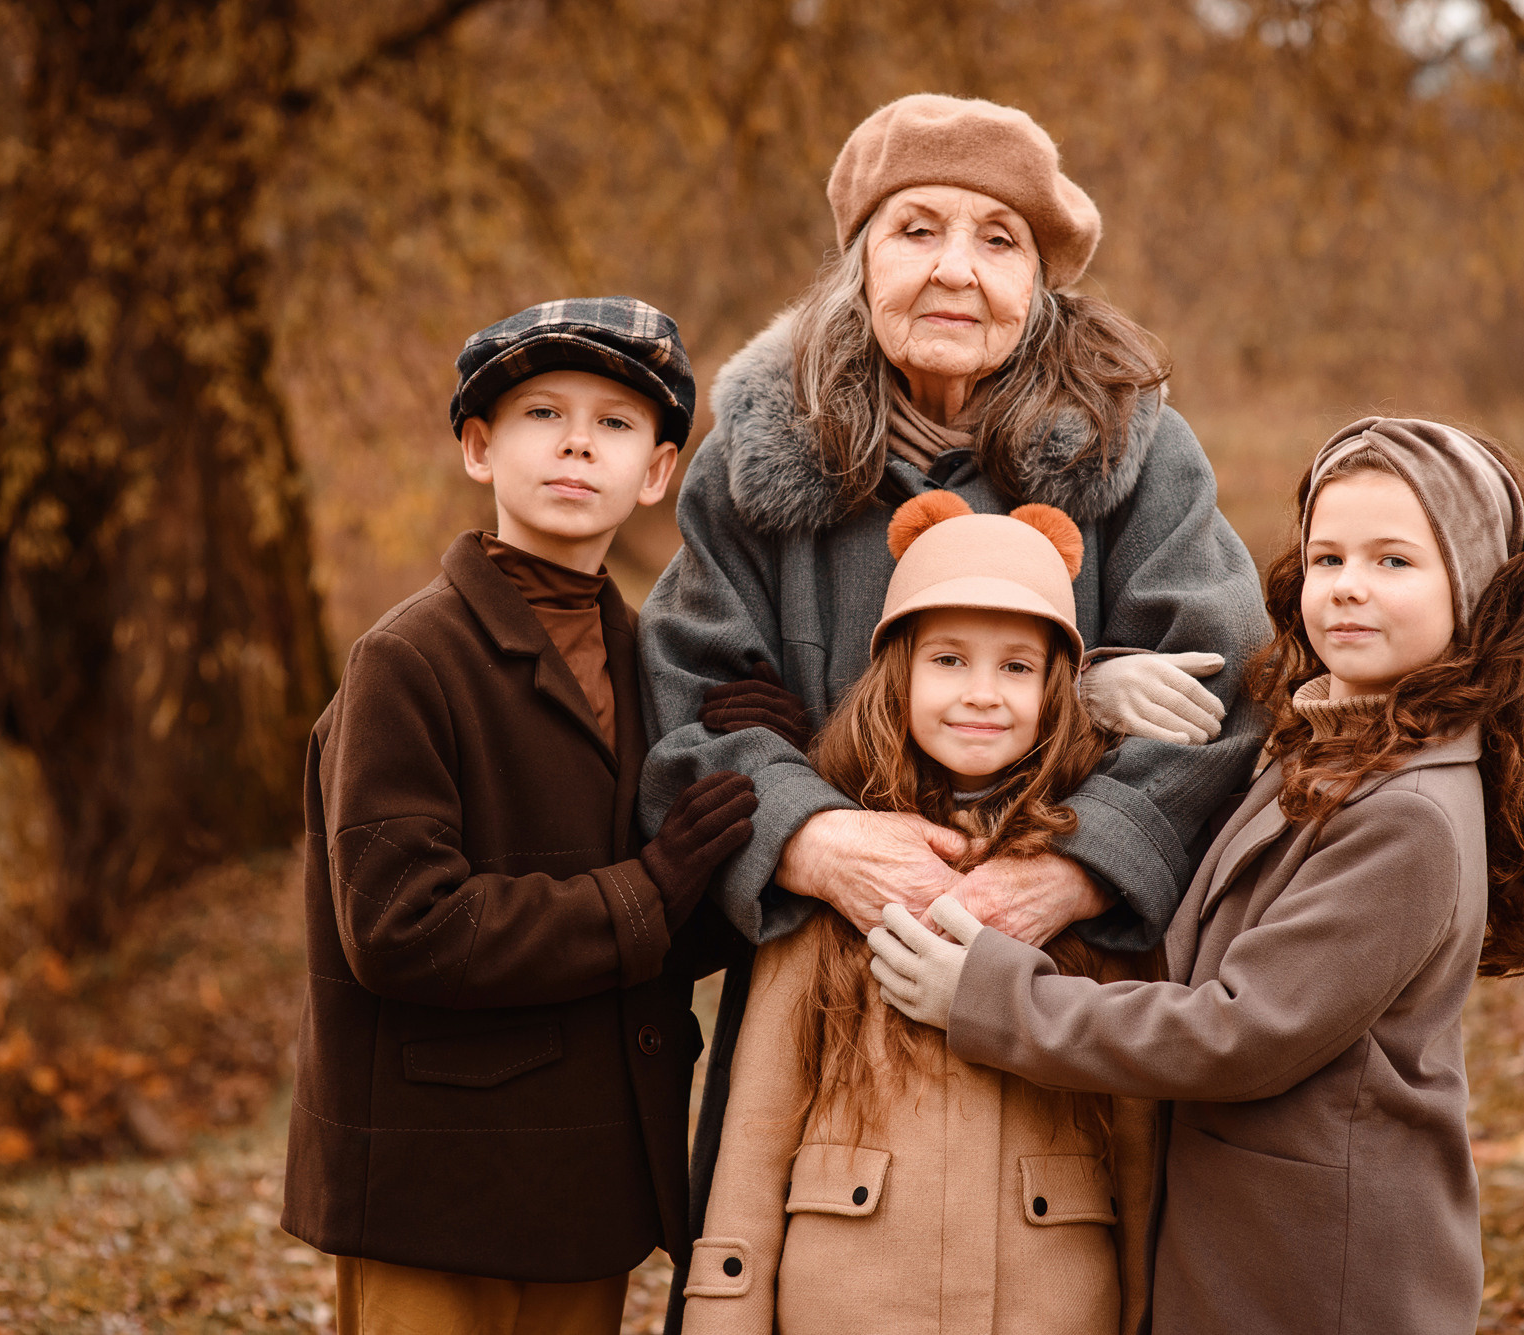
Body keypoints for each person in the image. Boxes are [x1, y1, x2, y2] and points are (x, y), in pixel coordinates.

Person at [637, 97, 1272, 1323]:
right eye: (915, 228)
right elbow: (688, 708)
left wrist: (1074, 868)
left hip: (1060, 999)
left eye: (998, 240)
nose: (953, 270)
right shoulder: (752, 459)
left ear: (1038, 280)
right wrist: (817, 839)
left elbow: (1230, 686)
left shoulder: (1135, 448)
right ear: (858, 258)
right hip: (828, 994)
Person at [870, 417, 1524, 1335]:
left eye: (1395, 562)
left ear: (1472, 590)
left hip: (1321, 1268)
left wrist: (994, 996)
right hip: (1242, 1235)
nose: (1349, 589)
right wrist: (1089, 688)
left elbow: (1239, 1031)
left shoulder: (1409, 818)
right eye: (1327, 559)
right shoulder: (1332, 740)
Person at [282, 298, 758, 1335]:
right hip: (433, 1186)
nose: (579, 441)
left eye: (618, 422)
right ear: (478, 447)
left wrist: (762, 771)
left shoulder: (654, 665)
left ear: (657, 474)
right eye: (543, 412)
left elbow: (666, 931)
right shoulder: (405, 661)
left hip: (587, 1183)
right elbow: (401, 930)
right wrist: (644, 892)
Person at [681, 493, 1158, 1335]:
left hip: (1051, 1298)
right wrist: (727, 1307)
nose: (982, 694)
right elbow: (757, 1126)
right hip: (847, 1297)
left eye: (1017, 667)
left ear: (1058, 688)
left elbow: (1137, 1132)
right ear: (898, 674)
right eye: (948, 660)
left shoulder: (1087, 878)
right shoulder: (841, 861)